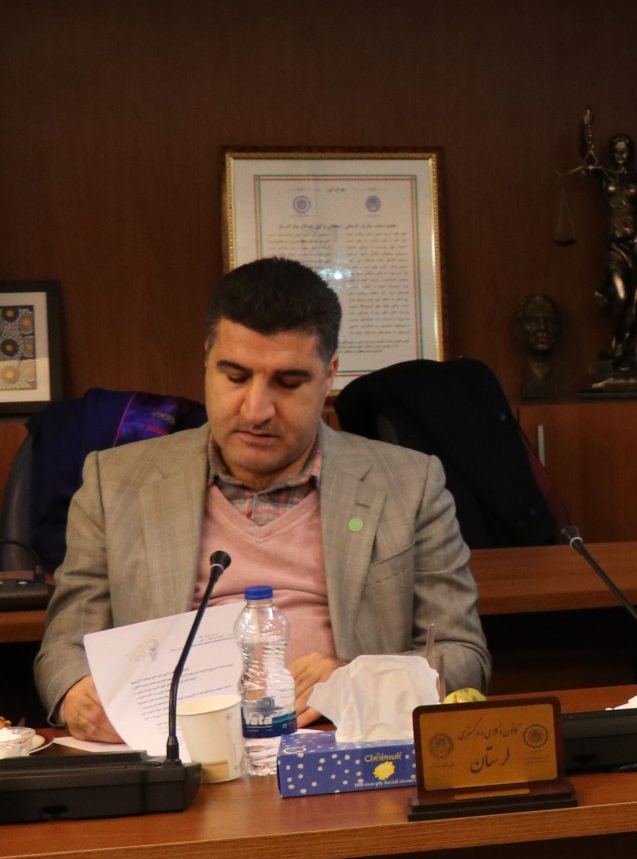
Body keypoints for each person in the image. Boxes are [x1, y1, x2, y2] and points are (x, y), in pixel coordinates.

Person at [36, 259, 489, 739]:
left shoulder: (409, 484)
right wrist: (76, 694)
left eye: (288, 384)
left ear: (329, 375)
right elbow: (64, 648)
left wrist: (358, 681)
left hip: (342, 744)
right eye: (235, 377)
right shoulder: (114, 482)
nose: (256, 410)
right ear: (207, 360)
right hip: (179, 750)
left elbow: (463, 656)